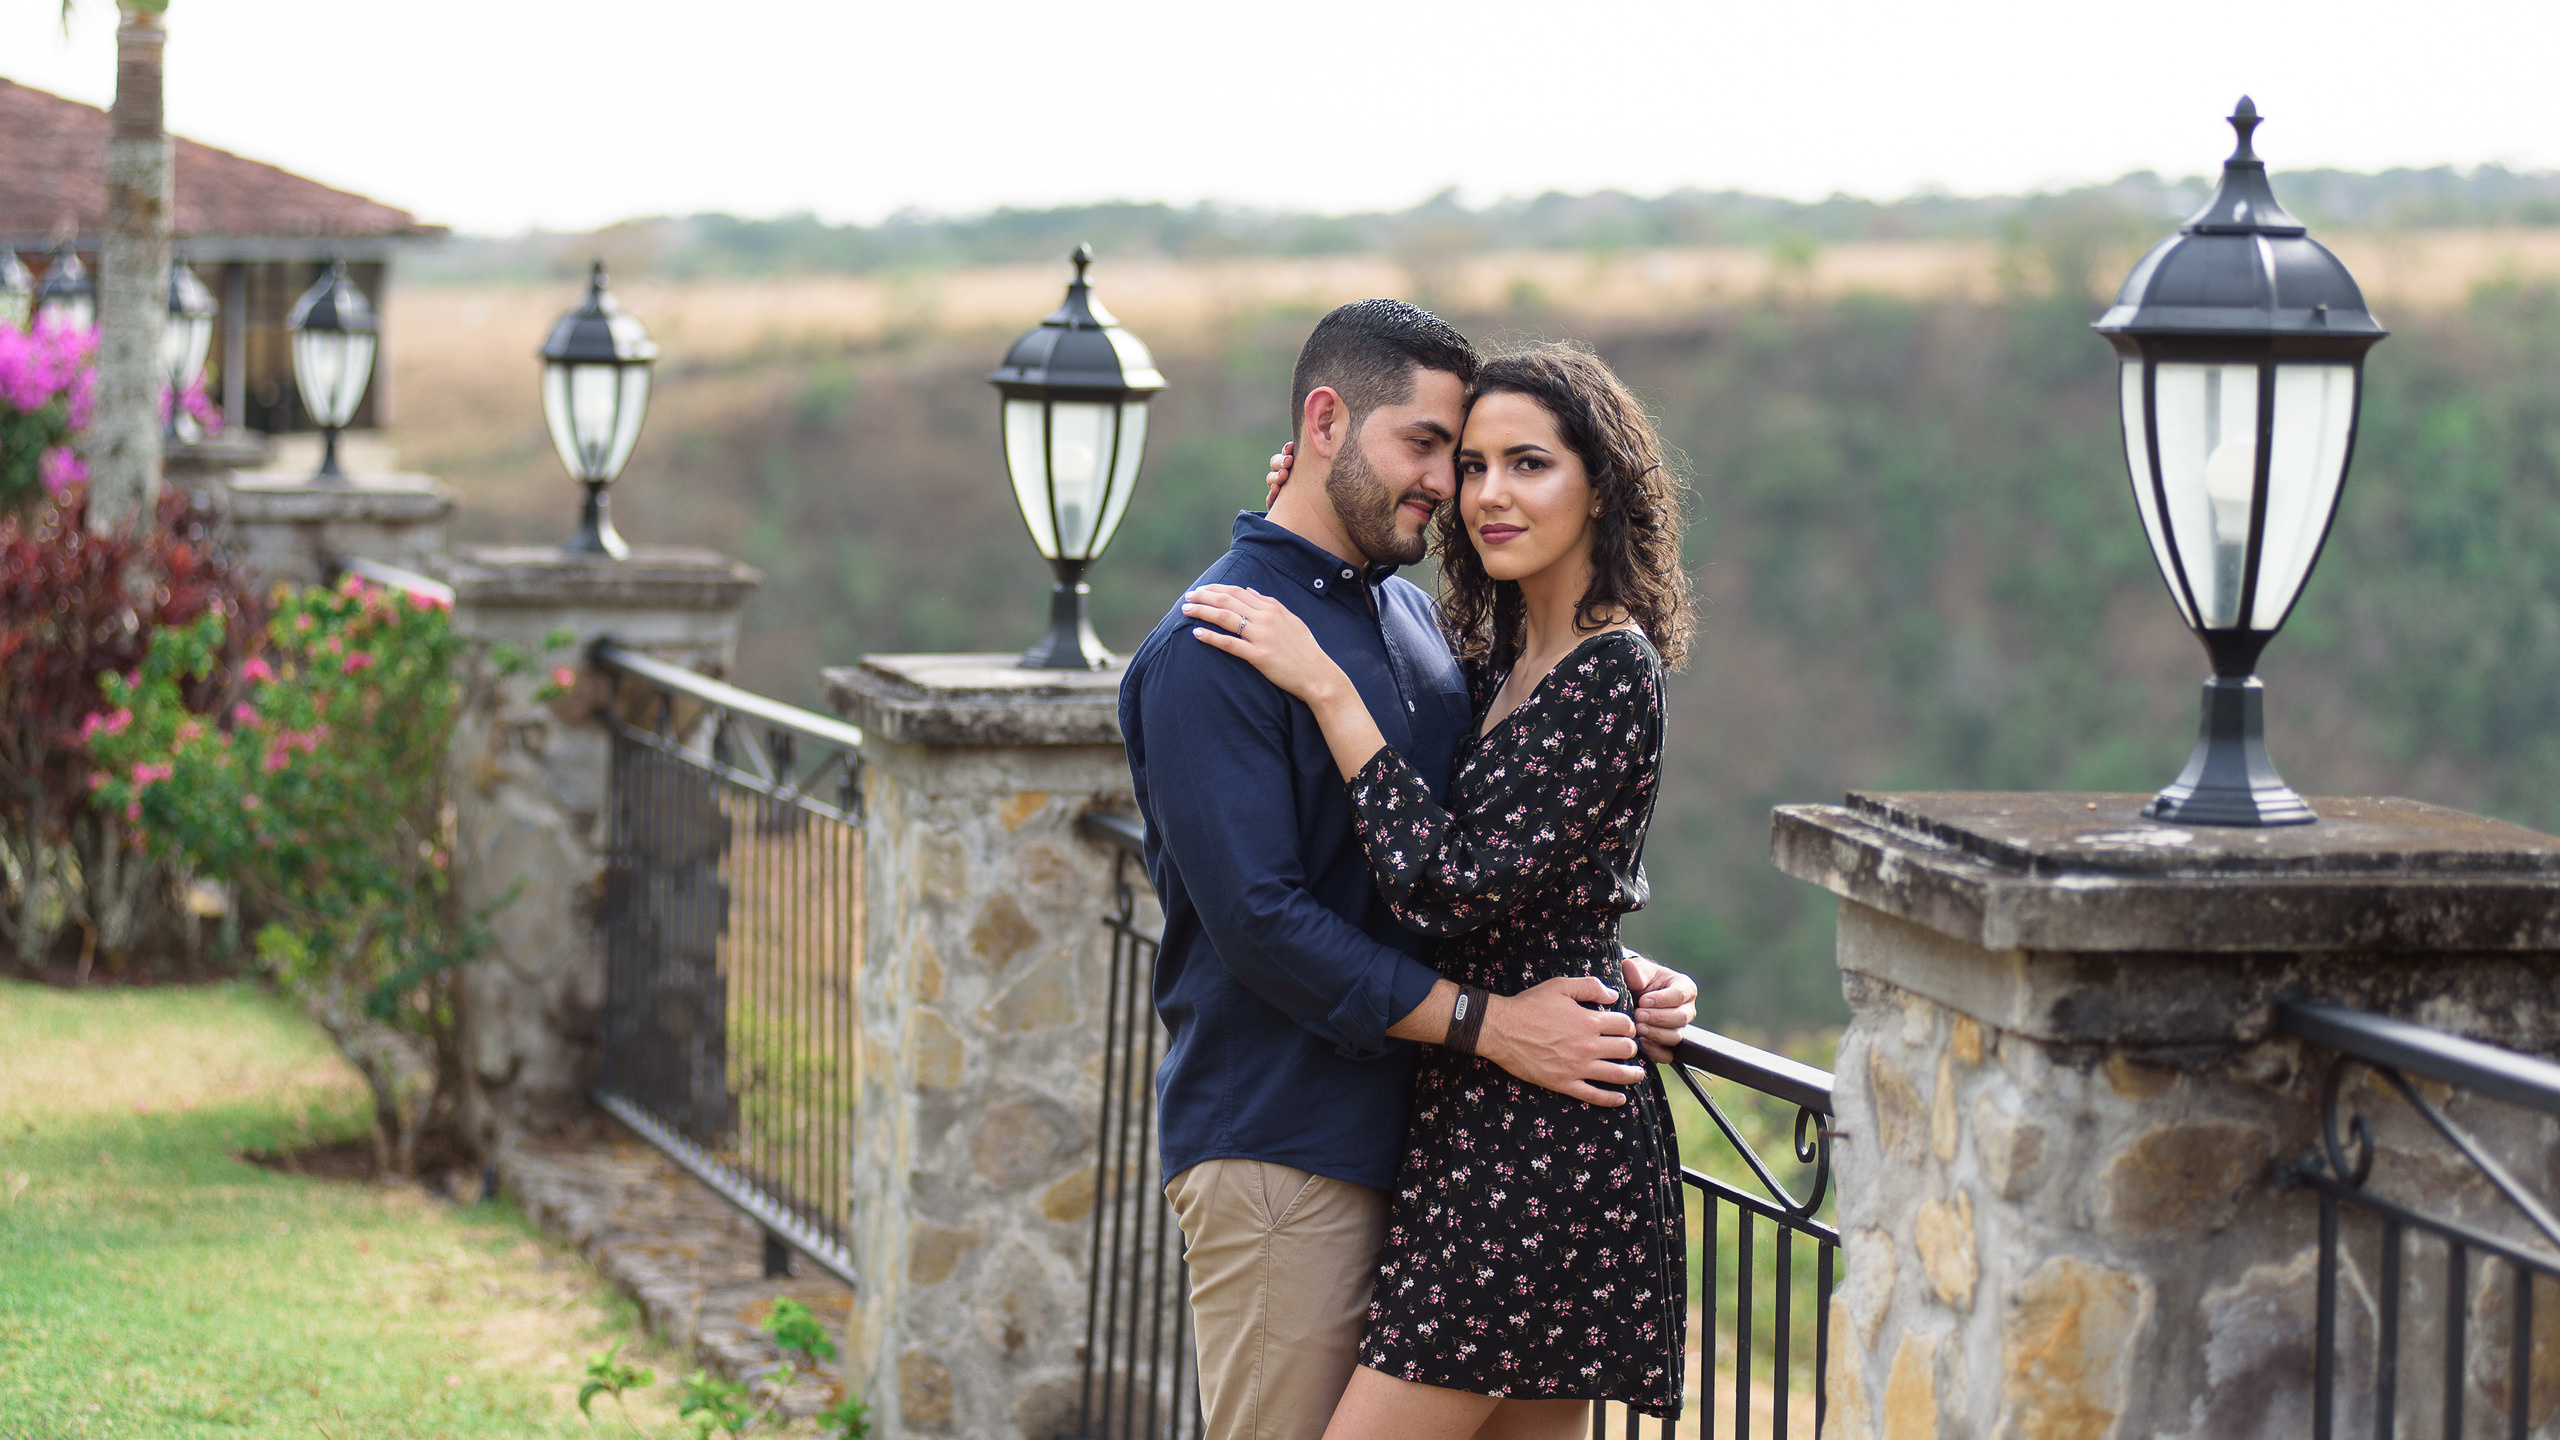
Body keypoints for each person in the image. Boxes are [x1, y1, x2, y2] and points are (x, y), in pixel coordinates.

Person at [1119, 303, 1697, 1440]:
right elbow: (1263, 920)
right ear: (1324, 423)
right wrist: (1494, 1021)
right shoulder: (1217, 646)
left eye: (1488, 457)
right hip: (1291, 1143)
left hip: (1461, 1144)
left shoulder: (1419, 627)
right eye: (1432, 448)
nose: (1455, 488)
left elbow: (1500, 854)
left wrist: (1597, 964)